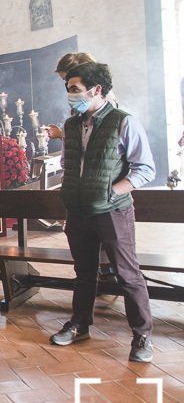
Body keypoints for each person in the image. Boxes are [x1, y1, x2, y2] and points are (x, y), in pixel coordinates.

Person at [49, 63, 155, 362]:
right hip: (78, 211)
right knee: (84, 272)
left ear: (96, 90)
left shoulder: (124, 122)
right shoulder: (71, 125)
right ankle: (80, 323)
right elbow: (71, 165)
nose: (70, 95)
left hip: (112, 211)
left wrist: (112, 191)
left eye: (75, 90)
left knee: (127, 274)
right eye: (68, 90)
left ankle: (142, 334)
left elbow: (145, 169)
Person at [48, 52, 118, 140]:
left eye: (68, 78)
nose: (68, 84)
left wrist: (61, 134)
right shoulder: (84, 104)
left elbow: (101, 137)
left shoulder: (107, 100)